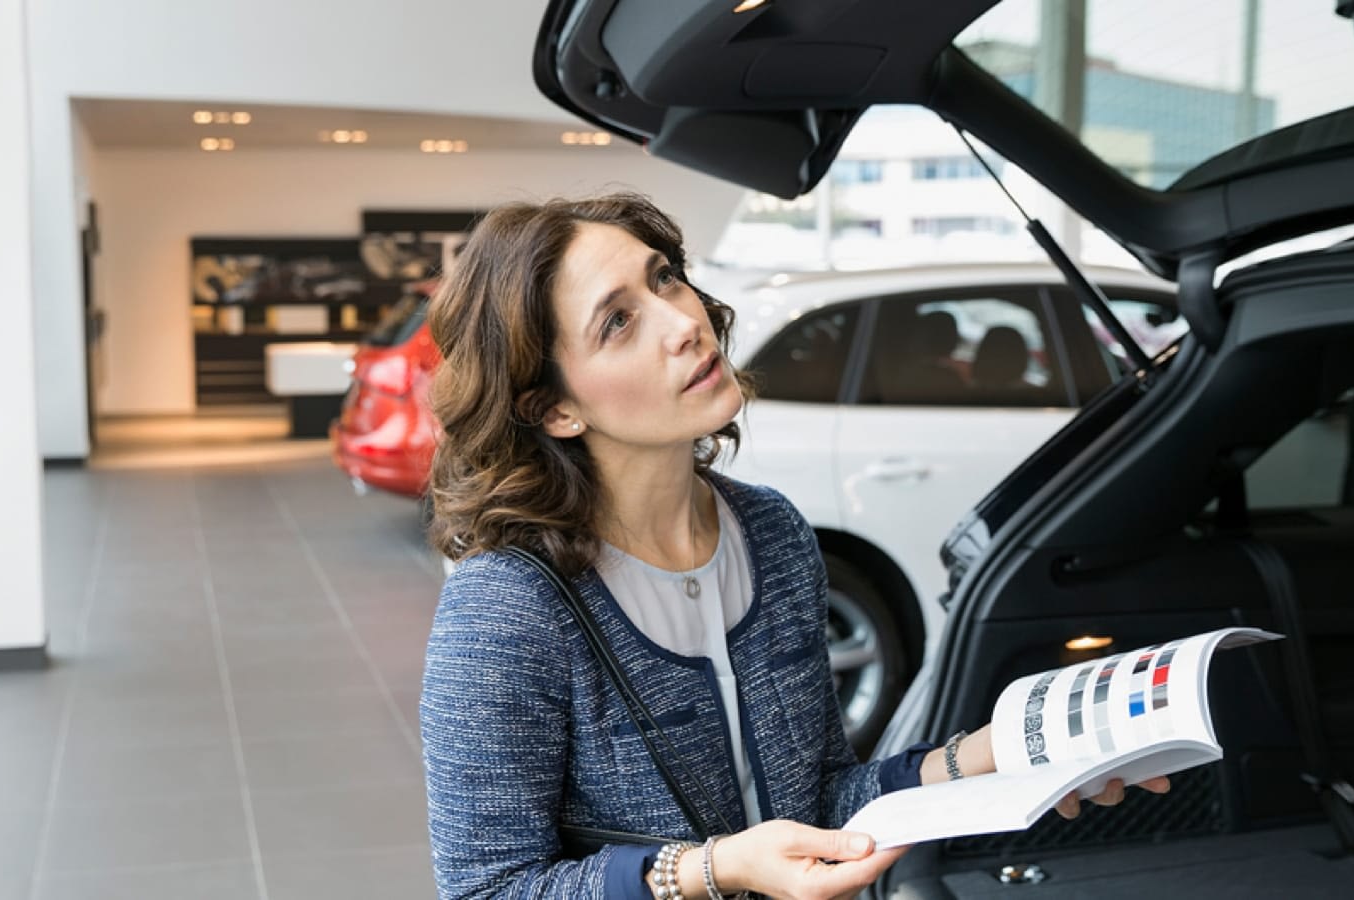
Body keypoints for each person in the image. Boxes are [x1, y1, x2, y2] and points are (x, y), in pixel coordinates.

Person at [419, 193, 1167, 899]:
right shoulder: (508, 607)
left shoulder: (771, 534)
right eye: (617, 322)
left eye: (665, 279)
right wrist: (712, 870)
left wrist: (1001, 752)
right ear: (553, 408)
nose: (684, 322)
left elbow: (824, 802)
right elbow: (489, 886)